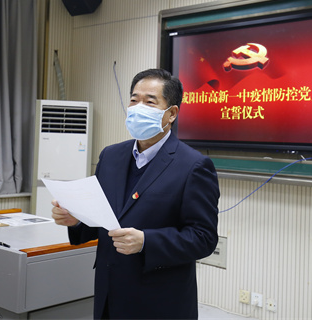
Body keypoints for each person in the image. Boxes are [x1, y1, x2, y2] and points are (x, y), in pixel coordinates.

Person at [52, 68, 220, 319]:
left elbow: (203, 238)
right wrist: (76, 220)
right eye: (134, 100)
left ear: (171, 113)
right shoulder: (111, 156)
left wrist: (146, 241)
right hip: (109, 292)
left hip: (159, 300)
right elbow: (104, 219)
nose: (138, 108)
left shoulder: (193, 166)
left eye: (150, 102)